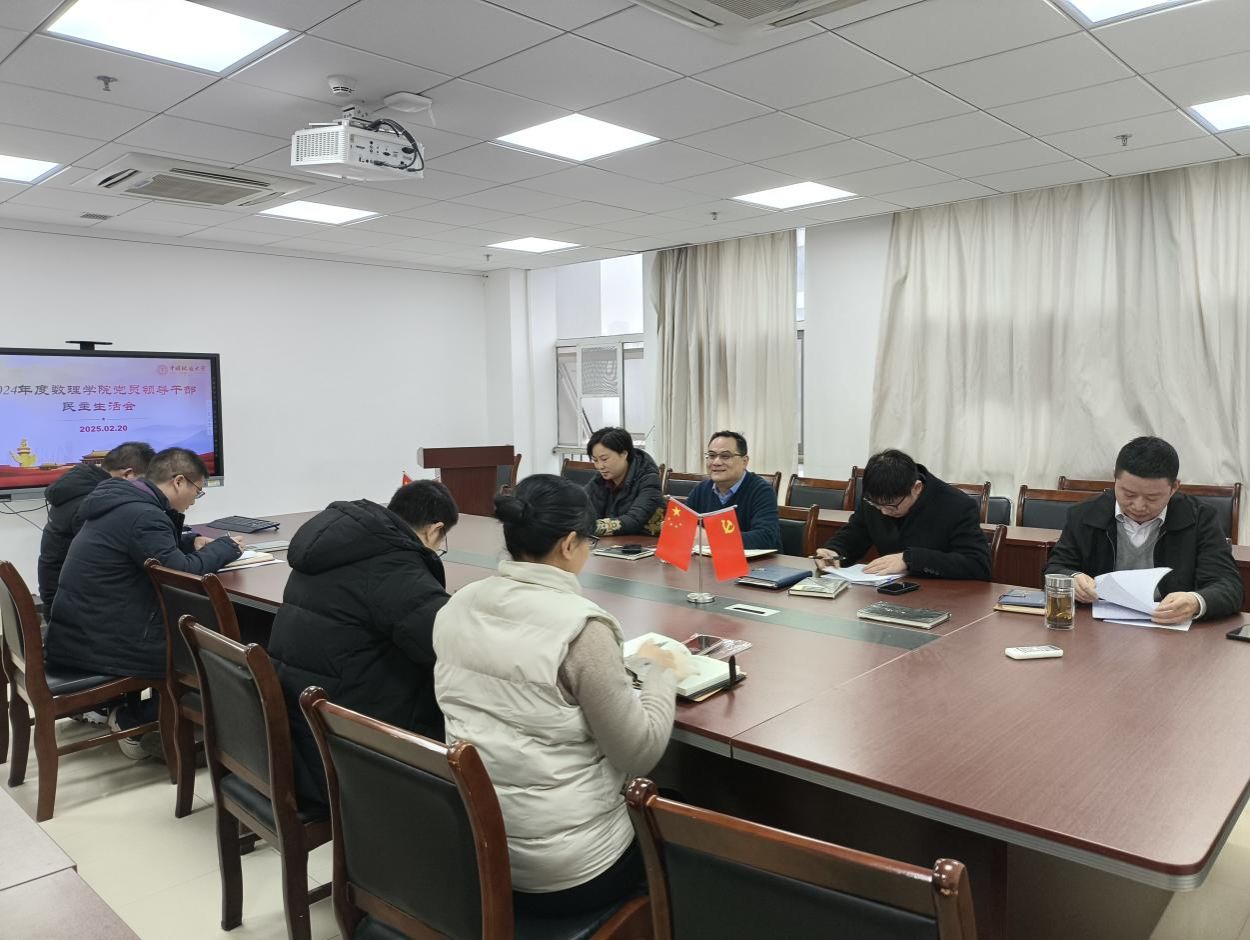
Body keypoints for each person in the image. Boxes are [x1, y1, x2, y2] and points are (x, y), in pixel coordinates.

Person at [434, 474, 682, 917]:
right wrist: (661, 672)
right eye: (589, 542)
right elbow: (638, 753)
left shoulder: (459, 604)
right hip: (569, 873)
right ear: (569, 544)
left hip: (478, 850)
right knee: (684, 829)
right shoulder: (582, 628)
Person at [267, 479, 458, 808]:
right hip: (344, 759)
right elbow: (446, 645)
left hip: (301, 734)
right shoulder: (392, 567)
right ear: (434, 530)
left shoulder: (339, 547)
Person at [44, 447, 242, 757]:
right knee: (208, 651)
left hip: (79, 631)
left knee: (196, 635)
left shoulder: (122, 502)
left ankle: (167, 719)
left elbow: (148, 547)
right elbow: (181, 574)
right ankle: (137, 720)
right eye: (197, 490)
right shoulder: (143, 515)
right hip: (104, 642)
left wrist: (190, 541)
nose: (195, 499)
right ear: (179, 481)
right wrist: (225, 548)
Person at [1045, 436, 1243, 623]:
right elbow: (1055, 569)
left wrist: (1195, 601)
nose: (1138, 506)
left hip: (1170, 630)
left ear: (1174, 487)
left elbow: (1229, 586)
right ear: (1115, 480)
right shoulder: (1085, 514)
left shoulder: (1200, 519)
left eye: (1152, 498)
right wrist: (1073, 579)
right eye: (1128, 494)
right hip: (1099, 629)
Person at [815, 449, 990, 580]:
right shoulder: (874, 498)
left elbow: (977, 565)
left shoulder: (957, 506)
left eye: (892, 506)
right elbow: (856, 532)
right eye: (877, 505)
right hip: (887, 593)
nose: (883, 511)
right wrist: (834, 551)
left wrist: (911, 559)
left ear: (916, 488)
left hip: (942, 598)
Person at [37, 441, 155, 615]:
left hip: (60, 599)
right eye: (145, 483)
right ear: (128, 474)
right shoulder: (95, 502)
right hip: (75, 611)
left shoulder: (79, 489)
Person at [684, 430, 781, 551]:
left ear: (744, 462)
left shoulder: (761, 491)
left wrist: (712, 539)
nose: (716, 462)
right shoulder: (701, 489)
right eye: (712, 455)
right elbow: (682, 526)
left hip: (757, 562)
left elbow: (765, 537)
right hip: (708, 560)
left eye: (725, 456)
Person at [584, 426, 664, 536]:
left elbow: (634, 520)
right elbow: (580, 507)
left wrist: (587, 527)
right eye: (595, 460)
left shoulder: (649, 478)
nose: (600, 466)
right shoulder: (600, 479)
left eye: (604, 459)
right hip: (610, 542)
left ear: (624, 454)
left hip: (643, 541)